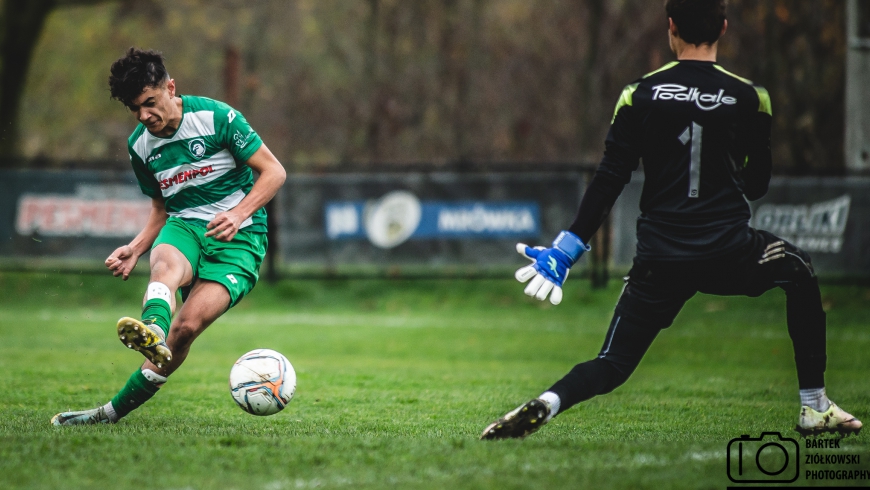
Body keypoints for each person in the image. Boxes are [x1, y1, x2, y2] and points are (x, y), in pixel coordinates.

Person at [481, 0, 861, 440]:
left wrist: (567, 250)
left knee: (613, 364)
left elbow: (609, 178)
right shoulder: (750, 97)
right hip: (730, 251)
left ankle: (549, 402)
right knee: (799, 269)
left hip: (660, 258)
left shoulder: (638, 93)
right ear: (723, 27)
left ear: (671, 28)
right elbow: (757, 184)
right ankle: (814, 406)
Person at [51, 47, 286, 425]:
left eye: (149, 103)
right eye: (134, 109)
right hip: (186, 225)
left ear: (170, 88)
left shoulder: (217, 118)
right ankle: (152, 329)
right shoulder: (139, 146)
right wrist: (135, 247)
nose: (144, 116)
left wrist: (239, 212)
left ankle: (111, 412)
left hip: (239, 237)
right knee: (164, 264)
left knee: (186, 329)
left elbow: (274, 172)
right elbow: (161, 210)